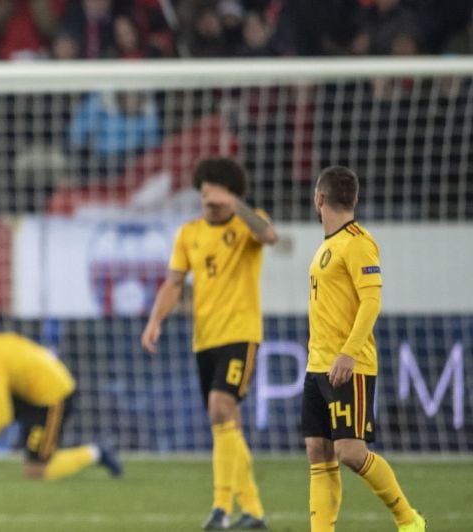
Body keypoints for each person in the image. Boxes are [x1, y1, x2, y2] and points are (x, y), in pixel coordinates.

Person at [141, 157, 276, 530]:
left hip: (241, 335)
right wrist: (155, 320)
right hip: (204, 341)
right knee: (226, 423)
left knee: (220, 409)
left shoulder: (247, 224)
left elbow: (270, 235)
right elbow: (173, 283)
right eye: (203, 194)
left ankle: (221, 508)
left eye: (215, 195)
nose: (208, 201)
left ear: (230, 195)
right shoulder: (189, 233)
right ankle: (254, 512)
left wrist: (237, 206)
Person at [303, 166, 425, 532]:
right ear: (353, 198)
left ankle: (409, 519)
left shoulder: (358, 241)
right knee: (318, 453)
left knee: (351, 452)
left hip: (348, 366)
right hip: (317, 366)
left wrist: (349, 353)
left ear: (319, 198)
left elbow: (371, 301)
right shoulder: (328, 246)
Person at [0, 332, 121, 481]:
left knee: (35, 472)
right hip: (27, 393)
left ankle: (96, 452)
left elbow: (2, 417)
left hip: (53, 398)